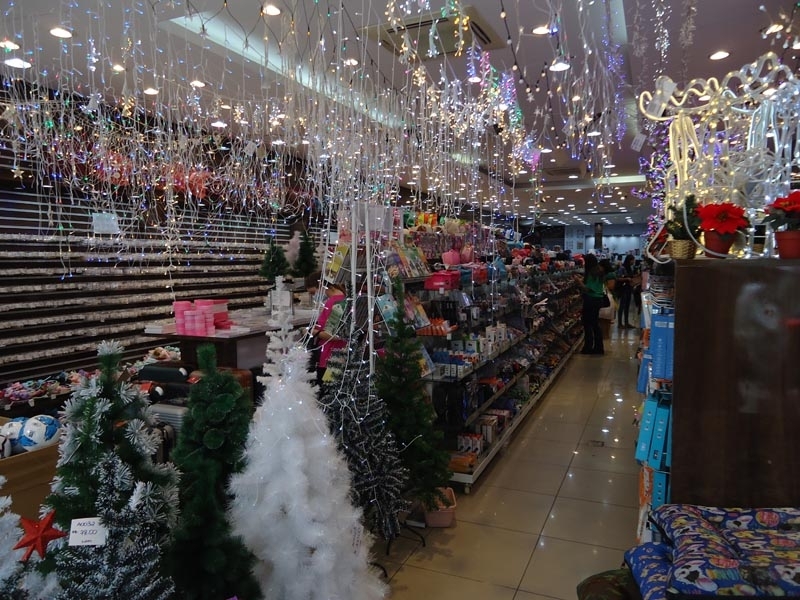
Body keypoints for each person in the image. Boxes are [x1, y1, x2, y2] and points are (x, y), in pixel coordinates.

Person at [304, 271, 347, 384]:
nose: (314, 297)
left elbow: (334, 335)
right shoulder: (343, 299)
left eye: (314, 292)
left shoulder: (335, 302)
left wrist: (312, 331)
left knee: (327, 391)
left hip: (330, 356)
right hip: (339, 354)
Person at [577, 254, 606, 355]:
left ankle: (588, 347)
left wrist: (578, 282)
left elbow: (587, 288)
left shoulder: (591, 273)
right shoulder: (599, 271)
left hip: (590, 299)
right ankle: (598, 347)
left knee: (587, 324)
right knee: (595, 324)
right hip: (598, 299)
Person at [616, 254, 637, 329]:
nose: (634, 261)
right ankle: (619, 324)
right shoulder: (622, 268)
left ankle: (626, 322)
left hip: (628, 289)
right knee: (622, 306)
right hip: (623, 289)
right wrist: (627, 279)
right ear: (629, 260)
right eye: (633, 260)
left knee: (627, 306)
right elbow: (617, 278)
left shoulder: (630, 268)